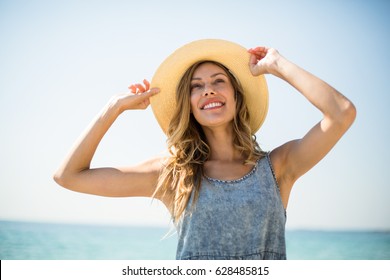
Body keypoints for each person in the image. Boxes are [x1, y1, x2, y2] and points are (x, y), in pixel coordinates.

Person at [53, 39, 356, 260]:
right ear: (190, 105)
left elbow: (341, 113)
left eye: (218, 81)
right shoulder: (173, 174)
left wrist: (278, 65)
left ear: (237, 97)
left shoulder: (278, 167)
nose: (208, 89)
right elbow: (69, 176)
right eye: (196, 86)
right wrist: (113, 108)